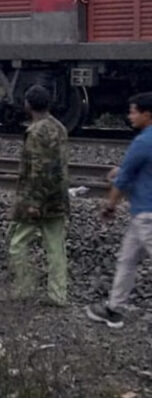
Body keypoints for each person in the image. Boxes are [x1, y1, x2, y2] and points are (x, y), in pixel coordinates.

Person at [88, 92, 152, 328]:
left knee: (128, 260)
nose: (129, 116)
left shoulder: (143, 142)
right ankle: (114, 309)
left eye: (134, 111)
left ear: (147, 114)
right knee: (127, 260)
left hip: (148, 214)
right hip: (140, 214)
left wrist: (110, 206)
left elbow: (123, 181)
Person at [8, 85, 70, 305]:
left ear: (28, 105)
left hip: (37, 200)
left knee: (17, 244)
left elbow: (38, 169)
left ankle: (24, 288)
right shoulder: (60, 127)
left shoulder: (35, 132)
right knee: (55, 248)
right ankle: (58, 294)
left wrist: (34, 202)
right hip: (58, 198)